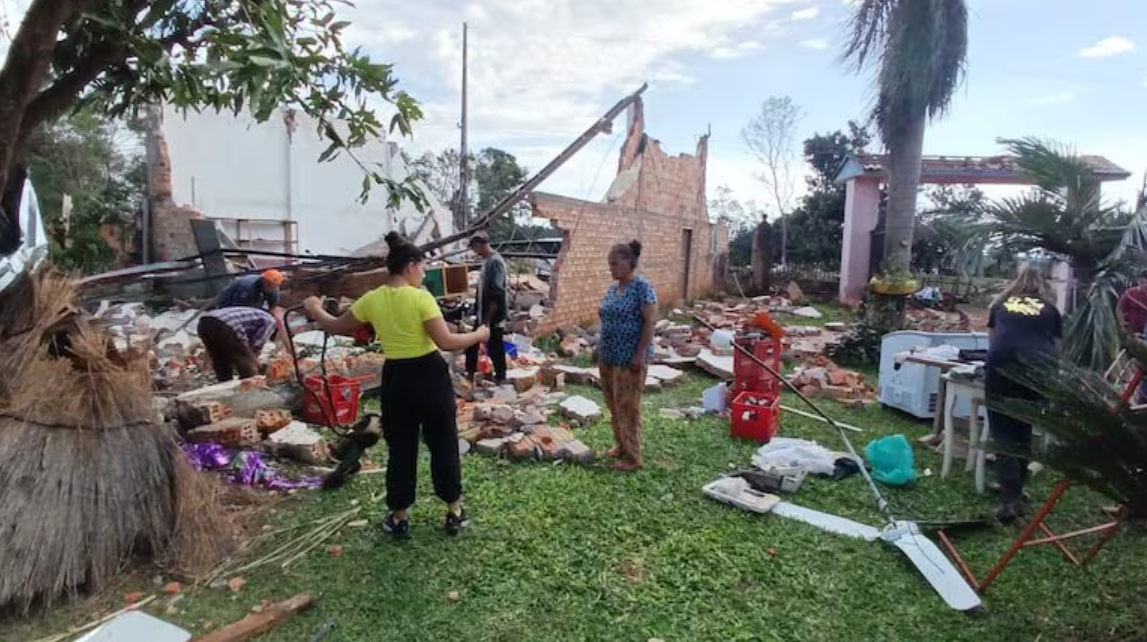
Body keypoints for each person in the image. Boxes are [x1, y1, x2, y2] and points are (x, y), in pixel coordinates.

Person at [302, 232, 489, 539]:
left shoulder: (372, 299)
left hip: (396, 379)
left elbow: (335, 325)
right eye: (422, 267)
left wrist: (314, 308)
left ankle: (399, 516)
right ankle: (454, 511)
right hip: (429, 375)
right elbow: (445, 341)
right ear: (410, 265)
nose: (423, 274)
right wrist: (478, 336)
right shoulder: (420, 298)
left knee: (401, 448)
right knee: (442, 442)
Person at [985, 263, 1062, 524]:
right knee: (1023, 426)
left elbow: (993, 339)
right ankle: (1016, 489)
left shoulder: (1001, 304)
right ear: (1044, 284)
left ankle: (1010, 500)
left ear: (1016, 281)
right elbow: (1056, 345)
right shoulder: (1050, 309)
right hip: (1038, 368)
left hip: (1002, 364)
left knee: (1002, 429)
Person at [594, 240, 658, 472]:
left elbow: (650, 322)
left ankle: (633, 456)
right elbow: (608, 320)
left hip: (629, 359)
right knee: (613, 404)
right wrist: (597, 348)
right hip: (608, 356)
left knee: (628, 407)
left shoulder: (642, 287)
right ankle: (621, 445)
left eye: (614, 264)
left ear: (629, 263)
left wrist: (640, 354)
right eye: (609, 264)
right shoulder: (614, 289)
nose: (610, 268)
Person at [465, 232, 509, 384]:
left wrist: (487, 321)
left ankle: (501, 377)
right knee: (472, 344)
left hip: (493, 316)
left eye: (474, 248)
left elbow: (497, 294)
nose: (475, 252)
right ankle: (471, 373)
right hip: (483, 314)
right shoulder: (487, 261)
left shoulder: (495, 262)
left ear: (479, 245)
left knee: (495, 345)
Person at [197, 306, 279, 382]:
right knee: (244, 360)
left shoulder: (256, 315)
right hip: (225, 324)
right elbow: (256, 345)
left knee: (220, 359)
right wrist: (255, 364)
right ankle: (250, 386)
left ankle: (225, 383)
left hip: (204, 322)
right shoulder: (270, 321)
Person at [216, 270, 285, 311]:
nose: (270, 288)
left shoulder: (273, 288)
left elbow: (273, 307)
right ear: (263, 280)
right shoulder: (247, 286)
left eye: (274, 286)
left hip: (248, 300)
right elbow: (240, 308)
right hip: (228, 302)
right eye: (268, 285)